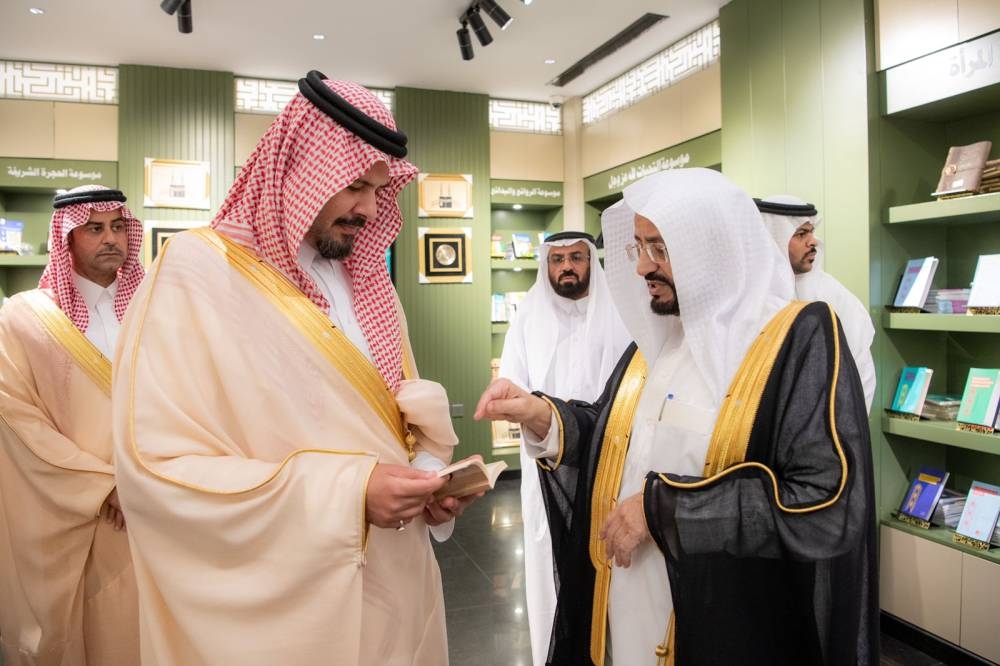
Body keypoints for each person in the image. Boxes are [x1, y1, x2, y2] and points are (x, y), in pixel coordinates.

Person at [111, 72, 475, 665]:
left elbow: (397, 414)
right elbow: (156, 465)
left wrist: (428, 478)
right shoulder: (195, 272)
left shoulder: (367, 281)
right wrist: (347, 494)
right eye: (354, 185)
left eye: (380, 189)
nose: (369, 209)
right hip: (287, 610)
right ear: (299, 170)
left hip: (396, 584)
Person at [476, 168, 877, 665]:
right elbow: (611, 436)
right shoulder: (658, 341)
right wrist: (544, 416)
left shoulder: (795, 338)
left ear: (712, 248)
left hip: (724, 628)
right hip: (625, 616)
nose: (643, 267)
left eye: (660, 248)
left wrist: (665, 510)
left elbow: (826, 500)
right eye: (639, 247)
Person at [0, 184, 142, 665]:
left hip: (153, 500)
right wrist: (101, 485)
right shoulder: (25, 317)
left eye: (118, 227)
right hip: (78, 506)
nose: (111, 238)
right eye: (94, 229)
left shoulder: (155, 308)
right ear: (66, 238)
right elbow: (17, 417)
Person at [498, 230, 630, 666]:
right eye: (557, 259)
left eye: (576, 257)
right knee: (548, 562)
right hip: (546, 468)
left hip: (608, 461)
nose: (567, 267)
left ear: (591, 261)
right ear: (546, 264)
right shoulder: (527, 317)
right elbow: (512, 386)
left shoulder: (620, 313)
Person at [756, 195, 876, 413]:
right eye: (801, 234)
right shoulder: (753, 296)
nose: (813, 242)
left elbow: (861, 374)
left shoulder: (833, 296)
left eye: (811, 232)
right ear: (774, 238)